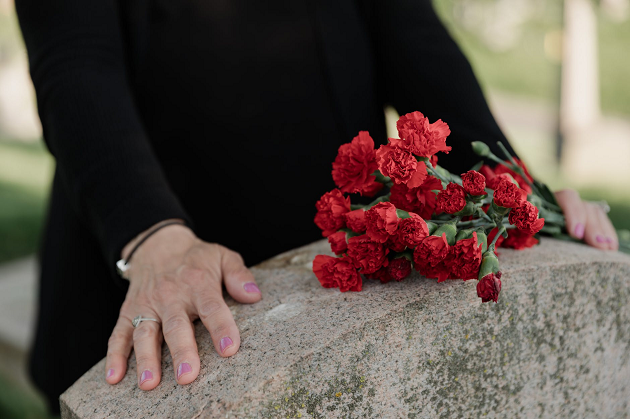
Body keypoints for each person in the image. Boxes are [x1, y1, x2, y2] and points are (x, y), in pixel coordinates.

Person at [16, 0, 618, 413]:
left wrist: (509, 187)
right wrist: (151, 236)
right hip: (146, 261)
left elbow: (417, 42)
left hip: (325, 269)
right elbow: (75, 61)